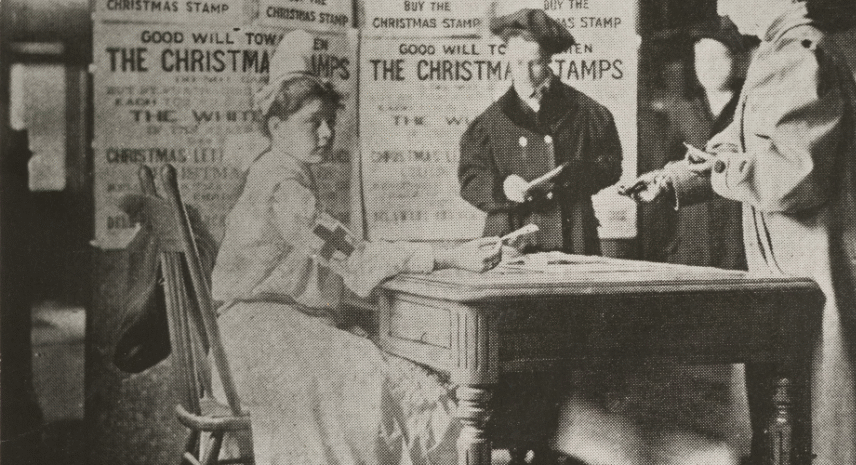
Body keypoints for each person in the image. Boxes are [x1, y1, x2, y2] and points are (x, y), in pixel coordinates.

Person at [624, 1, 856, 464]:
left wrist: (723, 169)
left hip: (820, 258)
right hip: (810, 254)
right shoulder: (781, 49)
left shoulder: (797, 51)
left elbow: (795, 175)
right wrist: (675, 179)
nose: (724, 5)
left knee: (833, 402)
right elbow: (746, 143)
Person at [211, 30, 503, 465]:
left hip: (249, 336)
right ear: (276, 126)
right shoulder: (283, 189)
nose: (327, 132)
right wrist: (452, 255)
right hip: (257, 344)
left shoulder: (275, 173)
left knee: (369, 364)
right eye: (314, 122)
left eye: (330, 120)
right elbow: (357, 259)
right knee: (369, 372)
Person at [458, 8, 623, 255]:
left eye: (534, 64)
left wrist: (579, 174)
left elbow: (611, 166)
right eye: (517, 63)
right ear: (507, 57)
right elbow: (470, 179)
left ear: (547, 60)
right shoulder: (488, 122)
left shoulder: (587, 112)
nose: (524, 74)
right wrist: (503, 187)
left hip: (572, 236)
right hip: (512, 238)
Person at [641, 19, 748, 270]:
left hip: (738, 238)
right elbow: (664, 171)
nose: (708, 67)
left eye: (718, 58)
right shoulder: (682, 112)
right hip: (692, 239)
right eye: (701, 59)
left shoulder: (750, 110)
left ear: (737, 61)